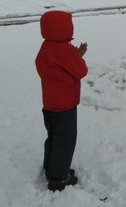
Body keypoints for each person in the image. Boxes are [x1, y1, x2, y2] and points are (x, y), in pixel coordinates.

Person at [35, 11, 88, 191]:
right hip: (65, 104)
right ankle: (58, 177)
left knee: (53, 136)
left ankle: (51, 167)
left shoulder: (46, 47)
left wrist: (74, 55)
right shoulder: (64, 50)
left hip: (49, 103)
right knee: (65, 140)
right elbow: (80, 71)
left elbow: (52, 66)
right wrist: (77, 57)